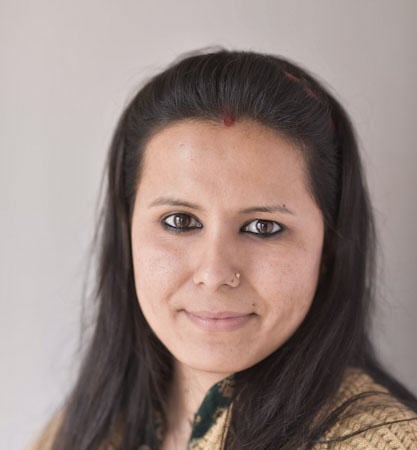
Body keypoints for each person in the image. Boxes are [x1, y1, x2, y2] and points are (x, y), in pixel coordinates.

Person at [28, 49, 417, 450]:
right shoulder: (83, 428)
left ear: (328, 246)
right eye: (180, 221)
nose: (214, 274)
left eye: (263, 227)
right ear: (126, 230)